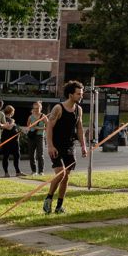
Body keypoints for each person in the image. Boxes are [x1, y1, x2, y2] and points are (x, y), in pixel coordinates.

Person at [43, 81, 88, 215]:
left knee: (66, 176)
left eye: (81, 93)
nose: (81, 96)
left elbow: (79, 128)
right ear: (70, 94)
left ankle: (59, 206)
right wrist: (50, 145)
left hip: (70, 146)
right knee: (60, 173)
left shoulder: (79, 110)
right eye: (78, 94)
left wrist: (83, 145)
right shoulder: (58, 108)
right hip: (56, 146)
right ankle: (48, 198)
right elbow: (49, 127)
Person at [0, 104, 23, 176]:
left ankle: (18, 172)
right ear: (11, 112)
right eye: (13, 112)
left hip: (15, 141)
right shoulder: (4, 119)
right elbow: (8, 127)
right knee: (6, 156)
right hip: (7, 140)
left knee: (17, 156)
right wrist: (12, 122)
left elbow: (12, 128)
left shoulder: (10, 119)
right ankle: (6, 173)